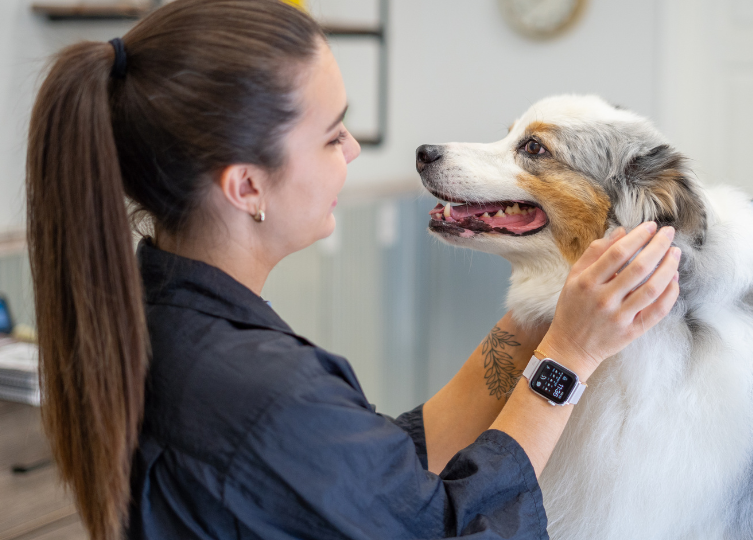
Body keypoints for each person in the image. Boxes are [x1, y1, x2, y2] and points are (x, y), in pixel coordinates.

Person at [24, 0, 681, 538]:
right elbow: (447, 529)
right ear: (247, 187)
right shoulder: (262, 392)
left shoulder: (164, 316)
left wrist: (539, 312)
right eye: (333, 134)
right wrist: (567, 353)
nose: (352, 153)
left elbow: (378, 477)